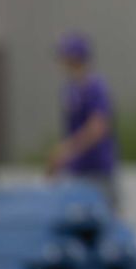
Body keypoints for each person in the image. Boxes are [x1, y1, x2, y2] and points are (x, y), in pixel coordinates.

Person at [46, 32, 118, 208]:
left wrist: (66, 151)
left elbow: (98, 126)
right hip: (77, 172)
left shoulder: (95, 87)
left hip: (98, 172)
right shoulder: (69, 89)